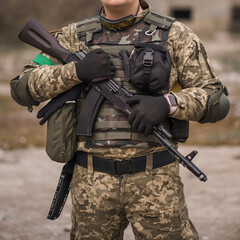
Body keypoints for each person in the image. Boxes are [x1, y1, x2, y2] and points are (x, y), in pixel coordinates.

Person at [10, 0, 229, 239]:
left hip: (156, 181)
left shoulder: (174, 34)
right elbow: (22, 87)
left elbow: (216, 99)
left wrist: (168, 104)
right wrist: (75, 72)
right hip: (90, 181)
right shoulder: (73, 36)